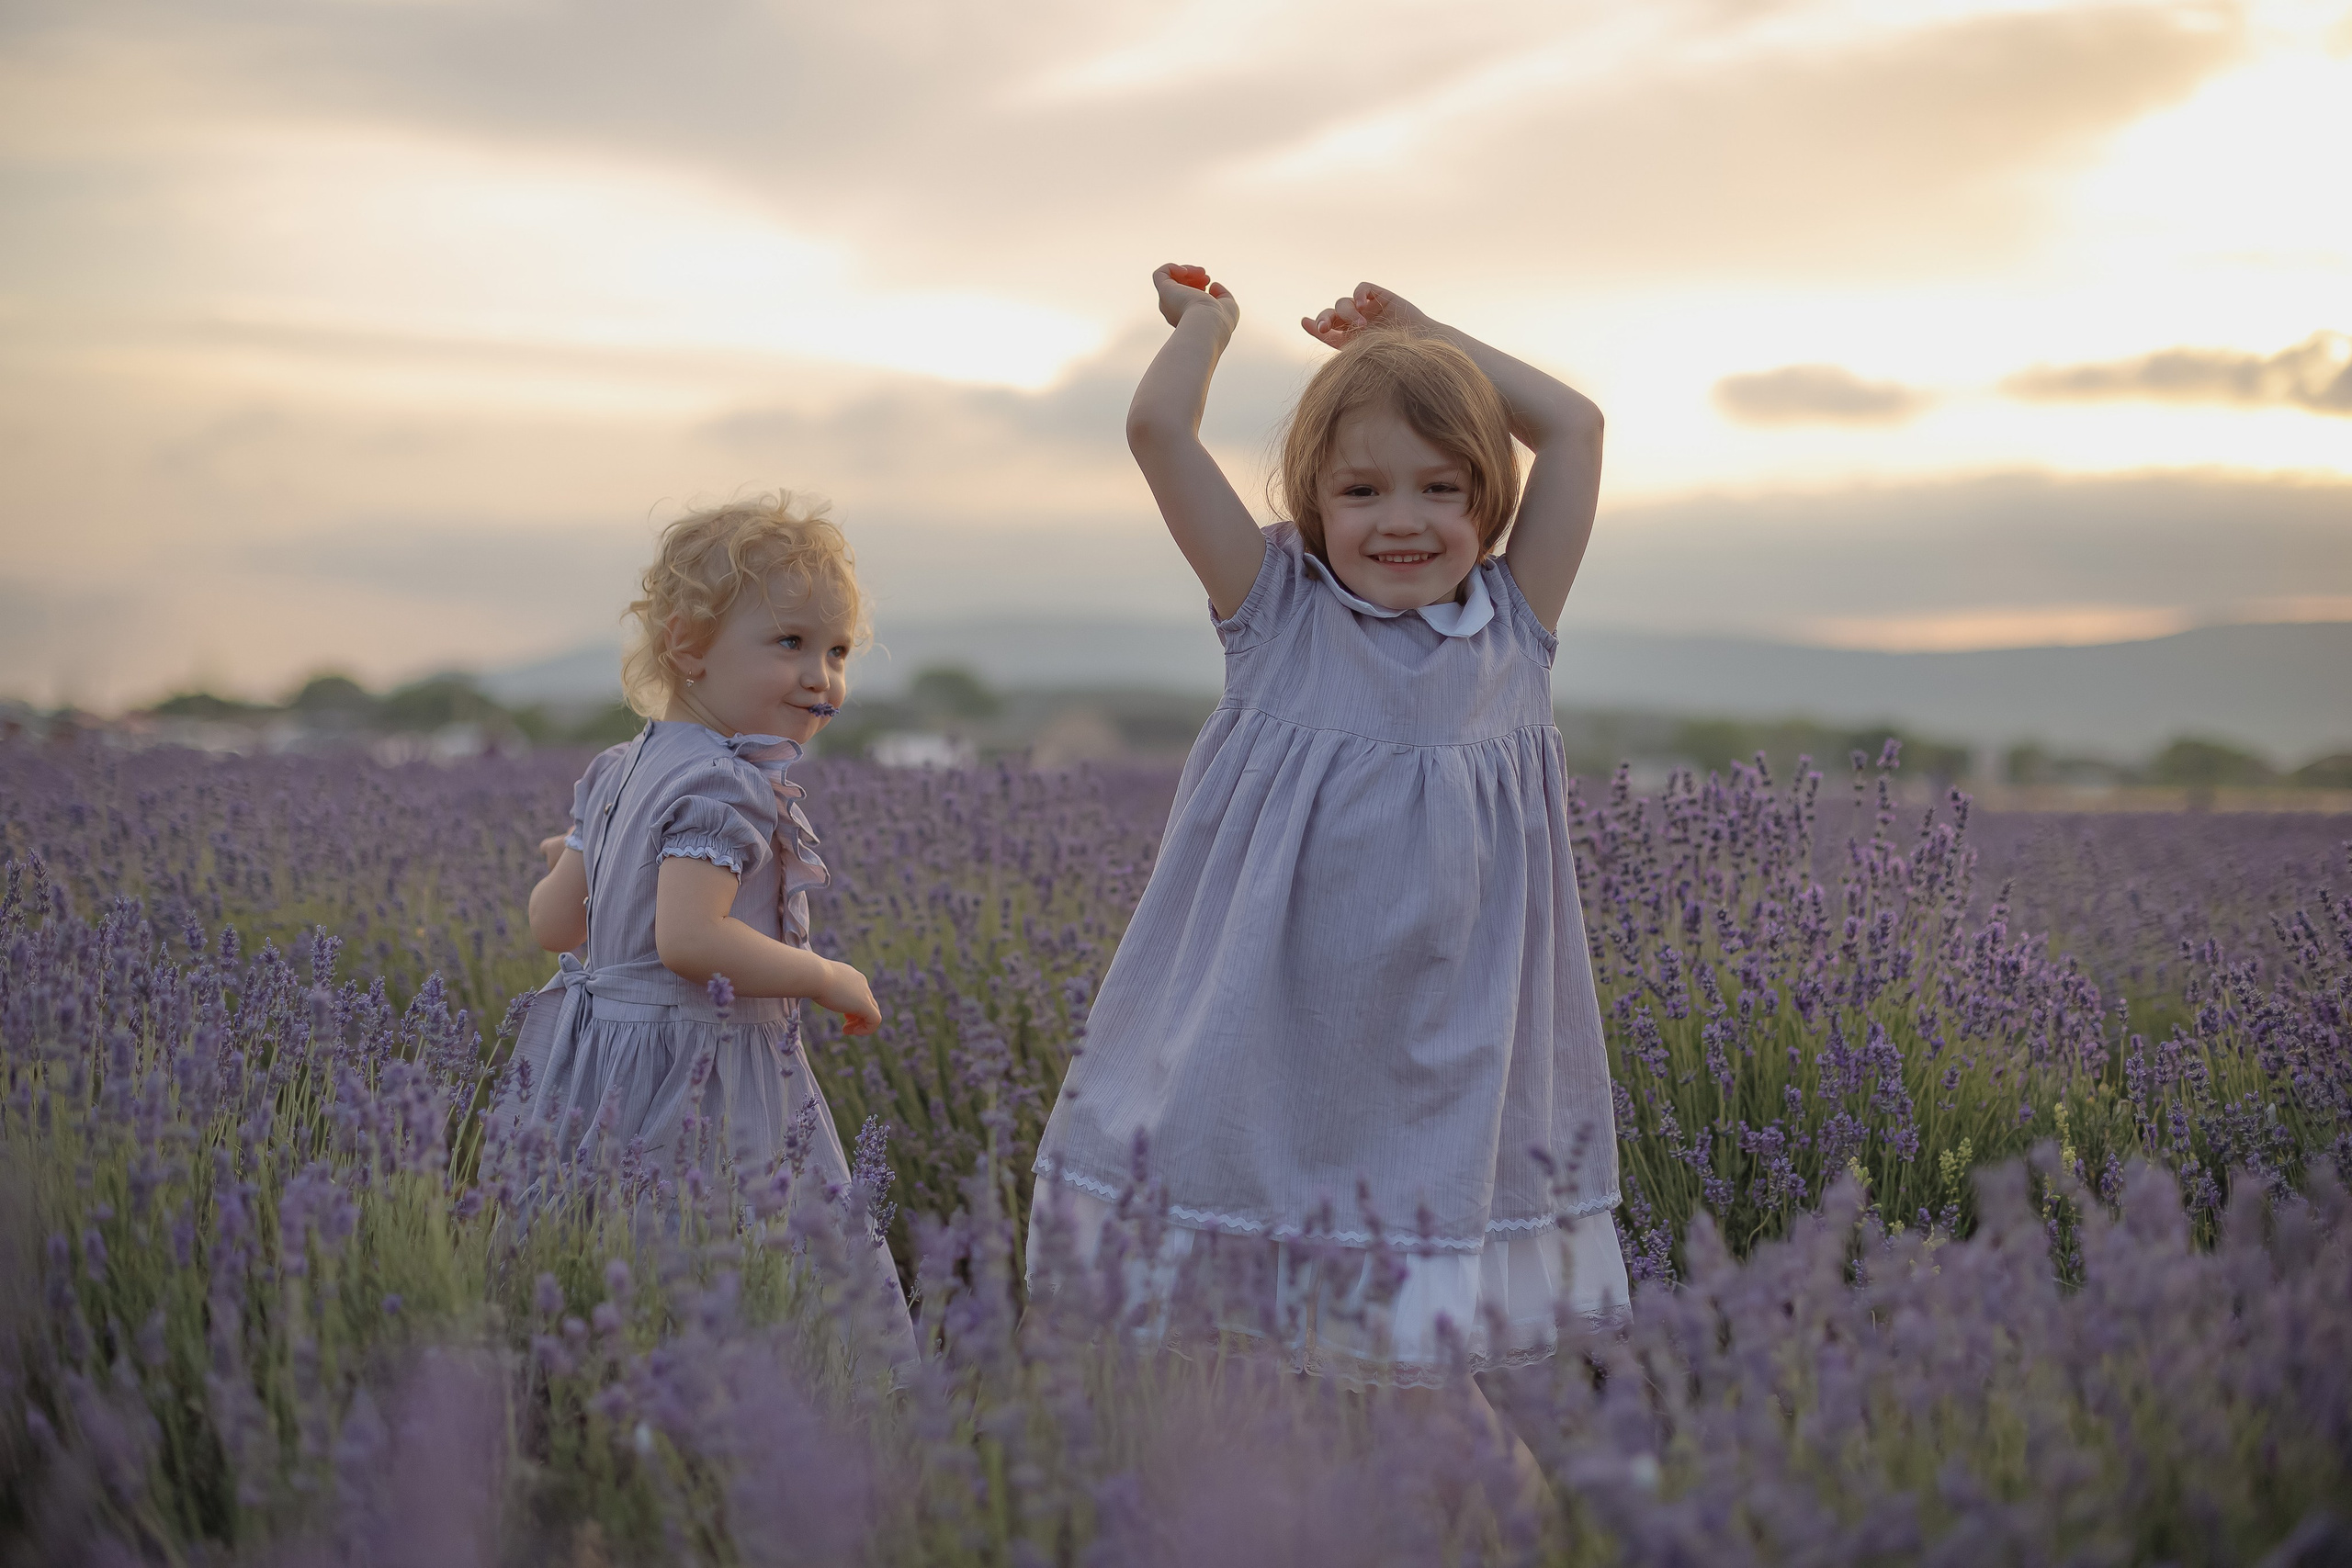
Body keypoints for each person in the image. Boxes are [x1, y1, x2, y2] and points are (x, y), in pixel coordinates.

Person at [1028, 268, 1629, 1398]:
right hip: (1268, 1039)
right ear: (1310, 501)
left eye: (1442, 489)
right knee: (1251, 1351)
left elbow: (1576, 426)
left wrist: (1420, 338)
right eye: (1360, 492)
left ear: (1491, 502)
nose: (1402, 520)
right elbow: (1157, 428)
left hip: (1446, 1047)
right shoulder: (1277, 611)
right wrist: (1207, 327)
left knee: (1417, 1364)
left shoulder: (1514, 625)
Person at [521, 491, 913, 1361]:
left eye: (838, 650)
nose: (822, 675)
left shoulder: (617, 769)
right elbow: (690, 943)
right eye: (790, 644)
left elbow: (555, 926)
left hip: (596, 1069)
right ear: (687, 647)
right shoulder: (727, 783)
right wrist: (825, 976)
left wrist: (577, 858)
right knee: (740, 1264)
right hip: (700, 1073)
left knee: (615, 1262)